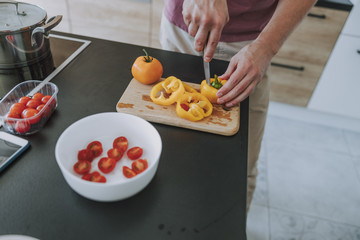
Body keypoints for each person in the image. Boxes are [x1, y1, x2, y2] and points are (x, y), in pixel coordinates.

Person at [159, 0, 317, 213]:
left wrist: (266, 47)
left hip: (253, 43)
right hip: (184, 27)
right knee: (170, 153)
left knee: (240, 168)